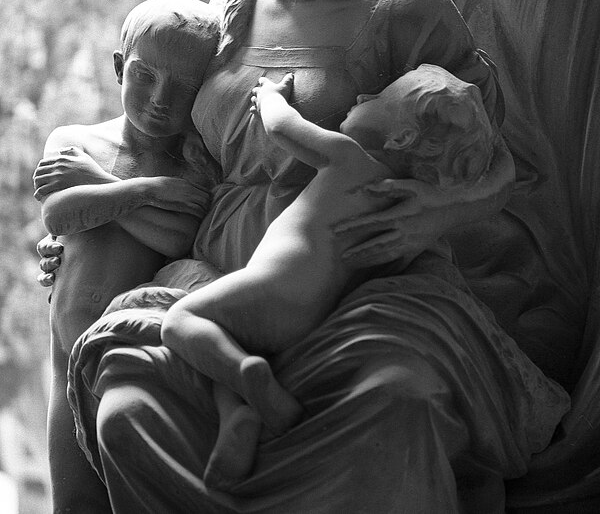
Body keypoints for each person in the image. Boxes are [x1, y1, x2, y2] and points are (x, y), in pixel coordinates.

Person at [42, 0, 569, 513]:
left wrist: (431, 216)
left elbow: (503, 166)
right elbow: (181, 152)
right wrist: (101, 218)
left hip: (362, 288)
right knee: (130, 409)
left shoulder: (405, 10)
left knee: (396, 408)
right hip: (217, 275)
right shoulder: (234, 3)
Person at [161, 64, 497, 488]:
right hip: (314, 317)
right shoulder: (396, 211)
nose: (360, 99)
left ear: (401, 139)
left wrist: (269, 95)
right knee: (223, 350)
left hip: (272, 288)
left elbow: (283, 127)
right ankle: (240, 418)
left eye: (377, 99)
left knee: (181, 323)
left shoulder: (351, 160)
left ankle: (249, 376)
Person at [33, 0, 220, 513]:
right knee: (73, 503)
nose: (160, 98)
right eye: (144, 75)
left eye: (183, 87)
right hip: (65, 357)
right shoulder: (75, 140)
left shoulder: (195, 169)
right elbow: (59, 216)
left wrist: (104, 191)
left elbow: (177, 238)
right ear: (119, 67)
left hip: (134, 364)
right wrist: (145, 192)